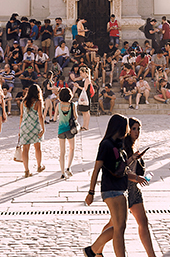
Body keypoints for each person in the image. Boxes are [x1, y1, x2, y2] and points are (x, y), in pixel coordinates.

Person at [93, 117, 157, 257]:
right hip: (121, 189)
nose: (136, 132)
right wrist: (136, 176)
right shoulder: (120, 146)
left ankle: (152, 255)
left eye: (139, 129)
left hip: (133, 189)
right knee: (115, 225)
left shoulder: (134, 145)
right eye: (133, 129)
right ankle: (96, 250)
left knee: (143, 222)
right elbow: (121, 171)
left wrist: (137, 161)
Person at [84, 114, 144, 257]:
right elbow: (97, 168)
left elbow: (120, 169)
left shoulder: (118, 145)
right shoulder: (106, 145)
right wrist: (91, 192)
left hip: (120, 188)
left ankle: (92, 250)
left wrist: (132, 163)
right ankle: (93, 250)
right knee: (119, 228)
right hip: (111, 189)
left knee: (120, 227)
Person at [17, 83, 46, 178]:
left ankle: (26, 170)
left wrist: (20, 129)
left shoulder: (23, 102)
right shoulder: (38, 102)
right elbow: (40, 116)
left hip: (25, 127)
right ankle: (39, 166)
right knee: (37, 147)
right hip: (35, 127)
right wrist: (43, 128)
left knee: (25, 149)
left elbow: (21, 116)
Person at [57, 86, 77, 179]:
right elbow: (76, 117)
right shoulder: (72, 105)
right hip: (70, 130)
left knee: (62, 152)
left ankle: (62, 172)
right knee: (72, 148)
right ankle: (68, 167)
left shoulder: (59, 105)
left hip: (61, 130)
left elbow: (55, 117)